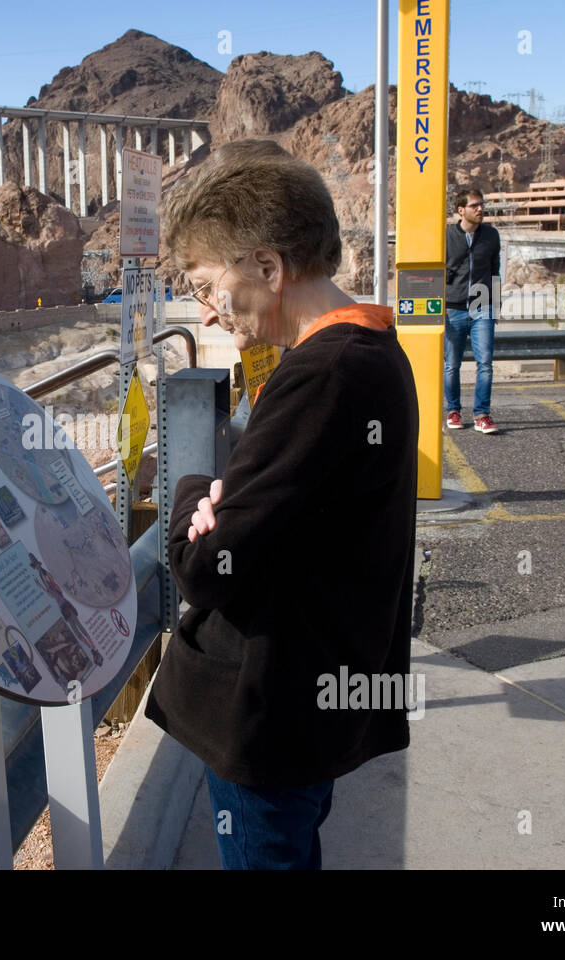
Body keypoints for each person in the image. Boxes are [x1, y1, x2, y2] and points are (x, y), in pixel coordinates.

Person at [144, 139, 419, 870]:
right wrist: (229, 499)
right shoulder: (372, 348)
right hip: (316, 697)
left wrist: (191, 492)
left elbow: (203, 567)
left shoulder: (322, 378)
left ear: (267, 267)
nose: (204, 314)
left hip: (274, 708)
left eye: (205, 285)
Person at [444, 188, 502, 433]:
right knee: (451, 365)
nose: (481, 209)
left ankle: (482, 415)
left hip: (483, 306)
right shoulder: (446, 236)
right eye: (475, 205)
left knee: (485, 364)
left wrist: (495, 306)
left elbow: (495, 270)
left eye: (482, 205)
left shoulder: (491, 235)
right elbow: (437, 273)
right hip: (453, 308)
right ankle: (453, 410)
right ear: (461, 210)